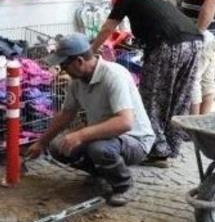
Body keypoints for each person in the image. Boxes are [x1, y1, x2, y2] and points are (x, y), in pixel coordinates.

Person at [26, 34, 156, 206]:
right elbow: (66, 114)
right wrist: (42, 143)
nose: (63, 70)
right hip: (105, 137)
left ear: (79, 61)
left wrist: (81, 135)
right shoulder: (77, 81)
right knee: (58, 147)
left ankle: (122, 185)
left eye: (64, 65)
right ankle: (101, 173)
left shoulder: (114, 76)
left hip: (135, 139)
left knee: (99, 149)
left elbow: (125, 122)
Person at [90, 0, 203, 167]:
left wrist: (92, 50)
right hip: (194, 43)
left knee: (152, 97)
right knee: (179, 97)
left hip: (167, 44)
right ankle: (172, 145)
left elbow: (108, 28)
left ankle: (157, 151)